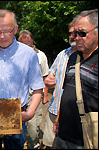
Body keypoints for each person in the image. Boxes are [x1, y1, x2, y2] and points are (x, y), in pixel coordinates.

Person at [0, 9, 45, 149]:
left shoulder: (29, 54)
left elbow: (38, 88)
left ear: (16, 29)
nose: (2, 36)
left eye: (7, 31)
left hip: (17, 114)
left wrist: (30, 112)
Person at [52, 9, 98, 149]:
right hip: (63, 135)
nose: (76, 37)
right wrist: (58, 118)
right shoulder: (73, 57)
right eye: (74, 33)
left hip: (86, 139)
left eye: (82, 33)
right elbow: (66, 91)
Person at [42, 19, 78, 149]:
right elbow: (50, 75)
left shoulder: (90, 57)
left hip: (73, 115)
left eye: (77, 32)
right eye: (70, 33)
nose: (73, 36)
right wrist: (48, 81)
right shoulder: (62, 54)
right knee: (50, 144)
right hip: (54, 109)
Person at [18, 29, 49, 149]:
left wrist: (45, 95)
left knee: (33, 126)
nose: (26, 46)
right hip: (18, 96)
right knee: (17, 125)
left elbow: (44, 76)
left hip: (34, 95)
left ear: (32, 42)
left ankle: (33, 145)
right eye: (23, 44)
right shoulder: (14, 54)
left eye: (28, 43)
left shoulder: (40, 56)